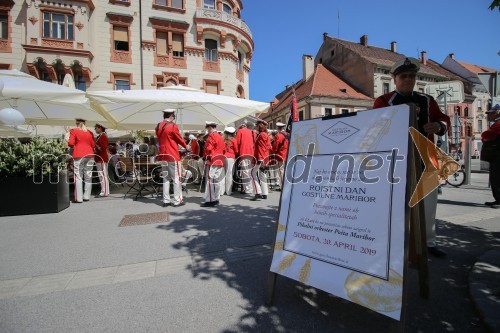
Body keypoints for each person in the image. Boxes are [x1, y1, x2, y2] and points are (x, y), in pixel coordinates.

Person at [373, 57, 450, 257]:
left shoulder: (426, 100)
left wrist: (439, 126)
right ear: (394, 78)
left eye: (412, 76)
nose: (408, 80)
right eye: (404, 76)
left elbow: (443, 119)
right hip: (398, 158)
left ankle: (428, 242)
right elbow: (376, 129)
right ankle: (396, 241)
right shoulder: (384, 101)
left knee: (429, 202)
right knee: (397, 203)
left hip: (426, 156)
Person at [156, 109, 188, 207]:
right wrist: (186, 146)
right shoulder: (173, 126)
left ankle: (166, 200)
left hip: (163, 155)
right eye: (173, 117)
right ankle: (177, 200)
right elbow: (179, 138)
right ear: (171, 117)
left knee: (165, 178)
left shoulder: (158, 126)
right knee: (176, 178)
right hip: (172, 155)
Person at [68, 118, 95, 203]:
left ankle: (79, 198)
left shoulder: (74, 131)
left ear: (76, 123)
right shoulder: (90, 132)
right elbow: (93, 145)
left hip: (79, 154)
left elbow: (70, 143)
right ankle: (86, 196)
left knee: (78, 177)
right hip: (90, 154)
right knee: (88, 176)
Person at [201, 121, 225, 207]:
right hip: (220, 160)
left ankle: (210, 200)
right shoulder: (220, 136)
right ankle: (216, 198)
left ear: (210, 128)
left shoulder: (211, 136)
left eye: (207, 128)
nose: (207, 130)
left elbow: (209, 148)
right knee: (217, 180)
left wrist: (206, 155)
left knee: (210, 181)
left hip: (212, 160)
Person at [481, 104, 500, 207]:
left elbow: (486, 135)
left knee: (497, 177)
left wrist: (485, 138)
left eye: (491, 113)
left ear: (497, 112)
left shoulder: (498, 124)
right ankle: (497, 200)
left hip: (498, 155)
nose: (490, 116)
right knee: (495, 178)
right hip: (496, 155)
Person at [251, 119, 271, 201]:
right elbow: (268, 147)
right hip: (264, 157)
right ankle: (265, 193)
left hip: (260, 157)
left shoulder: (262, 135)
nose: (256, 126)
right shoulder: (265, 134)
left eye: (257, 124)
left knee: (252, 173)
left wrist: (260, 159)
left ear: (260, 125)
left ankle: (257, 192)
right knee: (262, 175)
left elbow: (262, 148)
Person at [235, 123, 257, 194]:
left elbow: (237, 142)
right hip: (251, 153)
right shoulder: (252, 132)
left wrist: (237, 152)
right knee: (250, 171)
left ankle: (247, 188)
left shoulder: (240, 131)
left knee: (245, 171)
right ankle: (250, 187)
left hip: (243, 152)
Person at [271, 122, 289, 190]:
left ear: (278, 128)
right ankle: (285, 185)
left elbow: (275, 146)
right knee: (285, 170)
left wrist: (272, 151)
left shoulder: (279, 136)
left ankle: (282, 186)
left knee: (280, 171)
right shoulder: (288, 134)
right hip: (287, 154)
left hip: (281, 155)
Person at [94, 122, 109, 198]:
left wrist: (95, 147)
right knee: (102, 175)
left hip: (101, 158)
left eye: (96, 128)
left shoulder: (103, 136)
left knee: (102, 175)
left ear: (100, 128)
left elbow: (102, 147)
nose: (95, 129)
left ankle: (104, 191)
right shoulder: (101, 136)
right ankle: (105, 191)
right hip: (100, 158)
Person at [222, 127, 237, 195]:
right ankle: (228, 191)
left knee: (223, 174)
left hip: (223, 157)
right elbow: (236, 150)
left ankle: (222, 191)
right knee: (229, 174)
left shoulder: (223, 140)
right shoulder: (233, 140)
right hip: (231, 157)